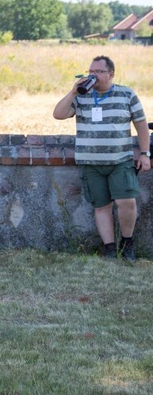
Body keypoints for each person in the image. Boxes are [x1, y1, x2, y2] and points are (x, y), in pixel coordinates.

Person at [53, 55, 150, 260]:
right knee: (101, 207)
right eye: (90, 71)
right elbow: (58, 114)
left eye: (98, 72)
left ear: (111, 74)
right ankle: (110, 249)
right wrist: (73, 92)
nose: (93, 76)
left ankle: (127, 244)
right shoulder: (82, 96)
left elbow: (141, 124)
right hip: (91, 162)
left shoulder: (126, 94)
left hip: (120, 161)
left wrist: (144, 153)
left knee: (127, 203)